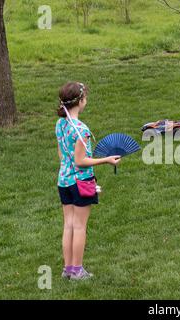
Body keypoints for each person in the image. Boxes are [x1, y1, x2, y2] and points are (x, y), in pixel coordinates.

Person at [55, 82, 121, 279]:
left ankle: (67, 269)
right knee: (79, 226)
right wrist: (107, 160)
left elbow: (62, 155)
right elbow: (80, 161)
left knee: (68, 224)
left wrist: (69, 171)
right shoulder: (81, 130)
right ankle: (77, 270)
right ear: (81, 101)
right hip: (81, 182)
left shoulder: (60, 124)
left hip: (63, 181)